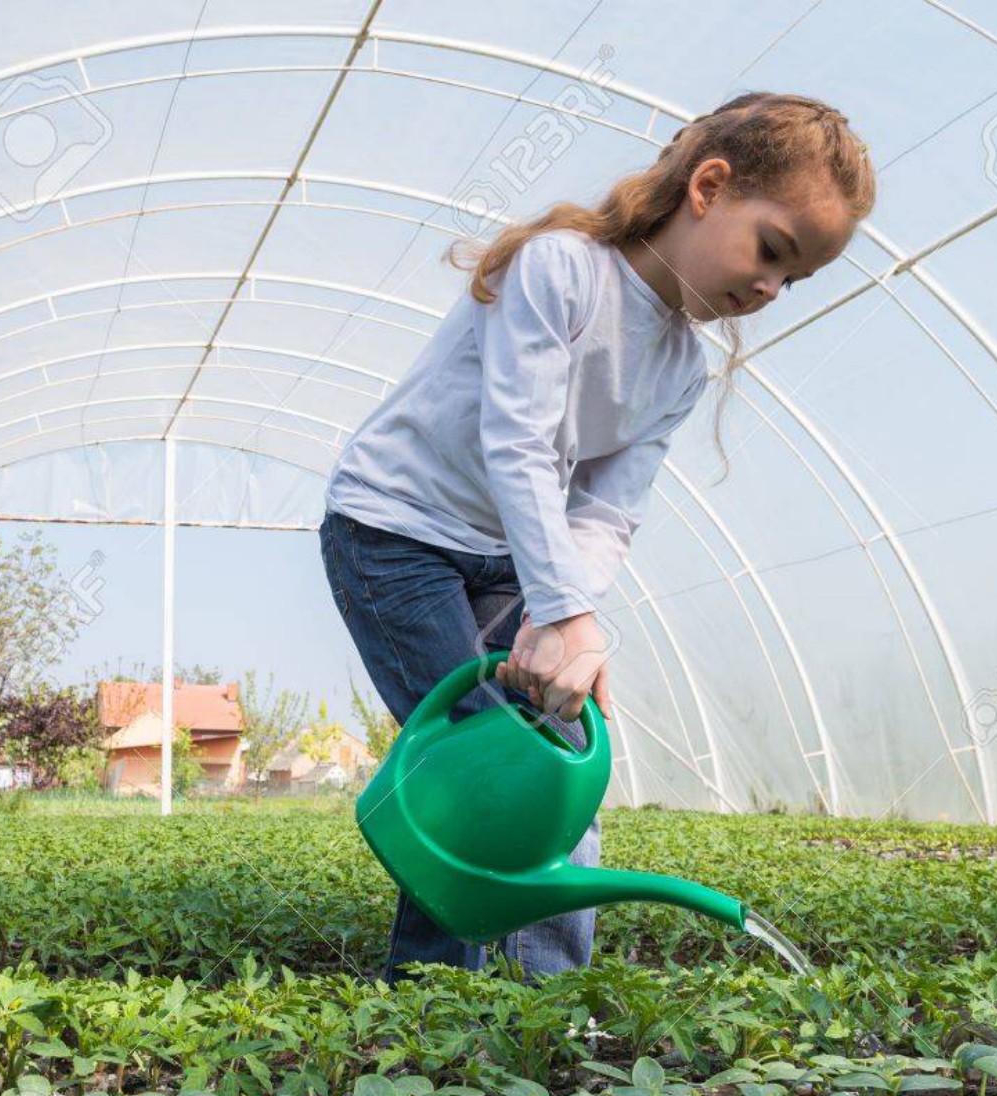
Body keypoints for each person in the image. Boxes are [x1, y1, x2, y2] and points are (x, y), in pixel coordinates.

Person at [320, 92, 876, 984]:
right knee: (481, 755)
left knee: (558, 760)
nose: (771, 288)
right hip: (396, 532)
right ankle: (429, 1000)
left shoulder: (681, 367)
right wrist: (561, 610)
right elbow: (520, 443)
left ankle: (554, 1000)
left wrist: (565, 623)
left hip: (512, 557)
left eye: (794, 279)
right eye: (772, 250)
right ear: (709, 186)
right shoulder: (561, 269)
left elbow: (607, 513)